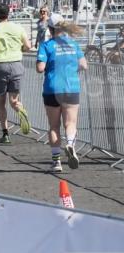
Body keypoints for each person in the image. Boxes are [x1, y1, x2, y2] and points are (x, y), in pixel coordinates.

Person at [36, 14, 87, 172]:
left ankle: (56, 162)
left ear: (50, 29)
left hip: (52, 88)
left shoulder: (46, 45)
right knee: (70, 123)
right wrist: (72, 70)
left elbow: (40, 68)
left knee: (54, 126)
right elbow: (84, 65)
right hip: (71, 88)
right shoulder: (73, 44)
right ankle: (70, 144)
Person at [0, 3, 32, 143]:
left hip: (1, 65)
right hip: (17, 64)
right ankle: (20, 109)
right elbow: (28, 46)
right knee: (14, 100)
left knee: (1, 101)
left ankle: (5, 134)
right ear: (9, 13)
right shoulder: (18, 28)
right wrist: (19, 50)